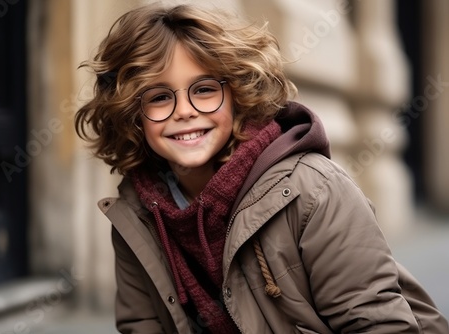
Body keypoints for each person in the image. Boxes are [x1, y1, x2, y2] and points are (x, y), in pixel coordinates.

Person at [75, 3, 449, 333]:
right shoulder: (137, 213)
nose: (185, 111)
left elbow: (376, 323)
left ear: (237, 96)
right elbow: (143, 326)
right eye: (158, 97)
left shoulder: (315, 190)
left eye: (204, 89)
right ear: (132, 115)